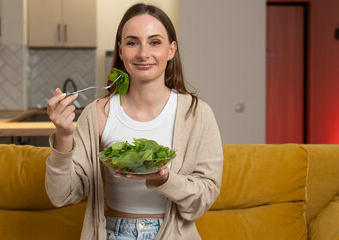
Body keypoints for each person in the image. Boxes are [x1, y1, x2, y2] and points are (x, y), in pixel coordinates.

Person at [45, 3, 223, 240]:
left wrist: (166, 179)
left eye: (155, 42)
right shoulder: (97, 113)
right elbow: (61, 195)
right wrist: (64, 137)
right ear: (120, 51)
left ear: (171, 50)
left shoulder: (196, 113)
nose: (143, 53)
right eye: (132, 42)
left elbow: (204, 197)